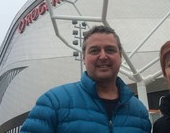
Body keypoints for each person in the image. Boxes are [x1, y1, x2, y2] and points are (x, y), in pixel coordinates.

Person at [21, 25, 151, 133]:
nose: (103, 56)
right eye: (94, 51)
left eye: (110, 50)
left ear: (120, 56)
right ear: (84, 58)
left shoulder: (139, 112)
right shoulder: (54, 102)